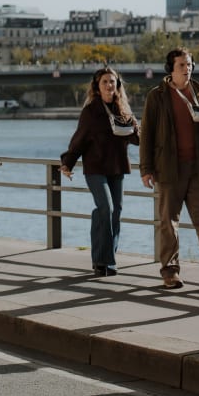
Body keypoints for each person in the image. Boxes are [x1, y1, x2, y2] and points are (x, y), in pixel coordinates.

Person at [139, 47, 199, 289]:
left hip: (198, 169)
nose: (187, 69)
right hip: (168, 169)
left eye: (190, 65)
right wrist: (146, 168)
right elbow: (147, 134)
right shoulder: (158, 96)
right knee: (168, 221)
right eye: (182, 65)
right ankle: (170, 272)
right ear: (171, 69)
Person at [60, 67, 140, 277]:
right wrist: (67, 162)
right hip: (95, 169)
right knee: (106, 208)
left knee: (116, 213)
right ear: (97, 86)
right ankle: (105, 261)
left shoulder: (123, 109)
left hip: (117, 168)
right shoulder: (91, 111)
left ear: (117, 85)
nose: (109, 85)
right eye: (104, 82)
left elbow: (137, 140)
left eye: (112, 82)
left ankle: (104, 259)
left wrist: (135, 126)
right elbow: (79, 139)